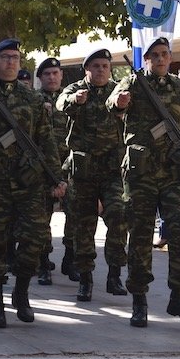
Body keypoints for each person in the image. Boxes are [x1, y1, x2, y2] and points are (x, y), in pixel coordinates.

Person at [0, 38, 65, 329]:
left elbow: (46, 139)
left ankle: (21, 292)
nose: (10, 62)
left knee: (35, 237)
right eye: (5, 57)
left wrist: (56, 178)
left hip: (28, 180)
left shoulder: (31, 98)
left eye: (15, 58)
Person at [106, 37, 180, 326]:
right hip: (141, 175)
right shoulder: (133, 83)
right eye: (155, 55)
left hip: (174, 174)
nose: (161, 59)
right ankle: (139, 300)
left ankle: (179, 296)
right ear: (146, 59)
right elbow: (112, 105)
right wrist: (119, 102)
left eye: (165, 54)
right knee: (139, 236)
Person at [56, 48, 128, 301]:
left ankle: (115, 274)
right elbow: (60, 103)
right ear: (86, 69)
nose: (100, 70)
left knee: (119, 215)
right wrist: (76, 100)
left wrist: (122, 106)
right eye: (95, 66)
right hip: (84, 171)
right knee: (84, 225)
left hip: (112, 170)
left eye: (105, 66)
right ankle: (85, 279)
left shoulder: (118, 90)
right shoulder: (75, 89)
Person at [36, 56, 72, 286]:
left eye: (55, 73)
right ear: (40, 78)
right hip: (42, 167)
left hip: (69, 164)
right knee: (41, 217)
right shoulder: (33, 100)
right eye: (47, 74)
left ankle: (71, 259)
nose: (52, 77)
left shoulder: (70, 99)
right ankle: (42, 263)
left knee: (75, 214)